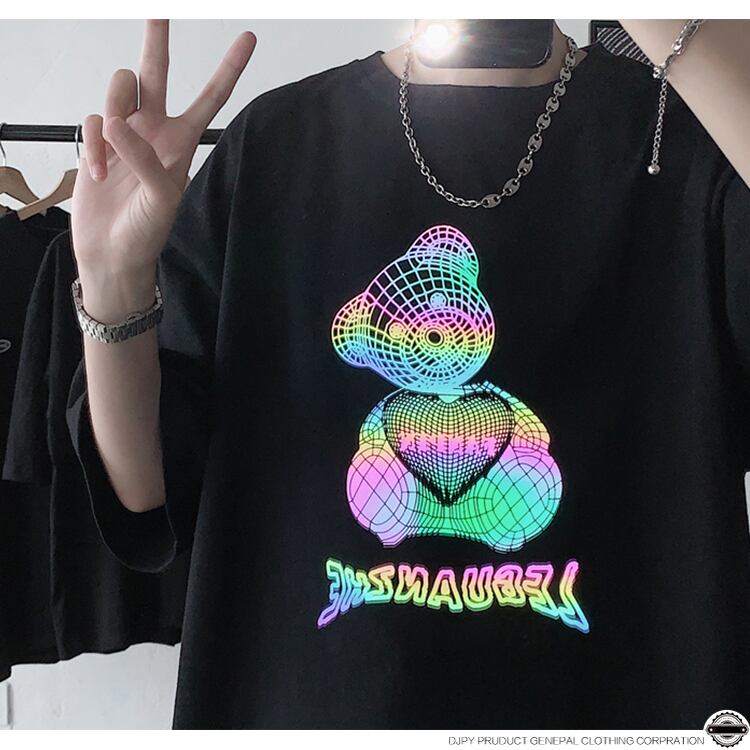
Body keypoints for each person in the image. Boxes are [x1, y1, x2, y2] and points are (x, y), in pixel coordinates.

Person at [68, 19, 750, 728]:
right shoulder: (278, 144)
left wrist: (692, 36)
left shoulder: (688, 137)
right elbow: (144, 492)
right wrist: (114, 282)